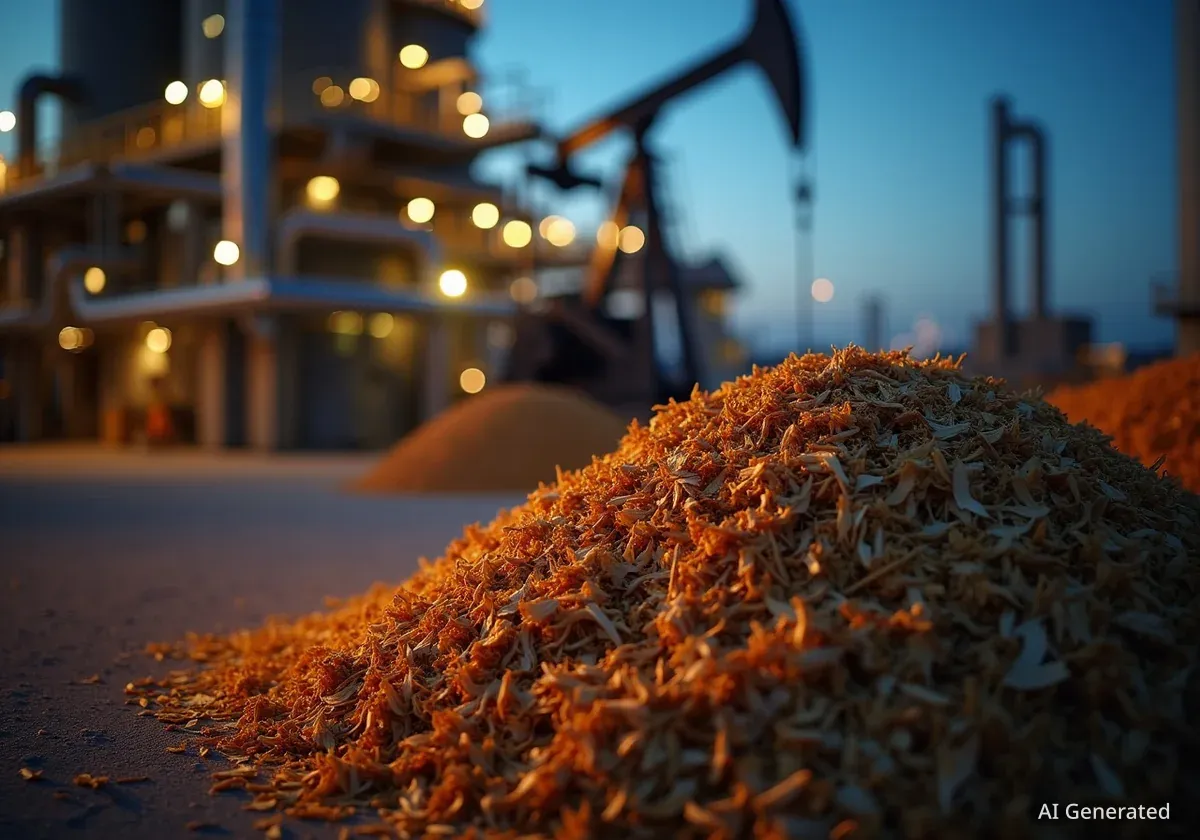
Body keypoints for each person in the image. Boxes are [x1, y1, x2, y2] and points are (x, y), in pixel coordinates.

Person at [146, 376, 174, 446]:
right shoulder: (152, 396)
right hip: (155, 423)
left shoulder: (162, 396)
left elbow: (164, 413)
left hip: (160, 422)